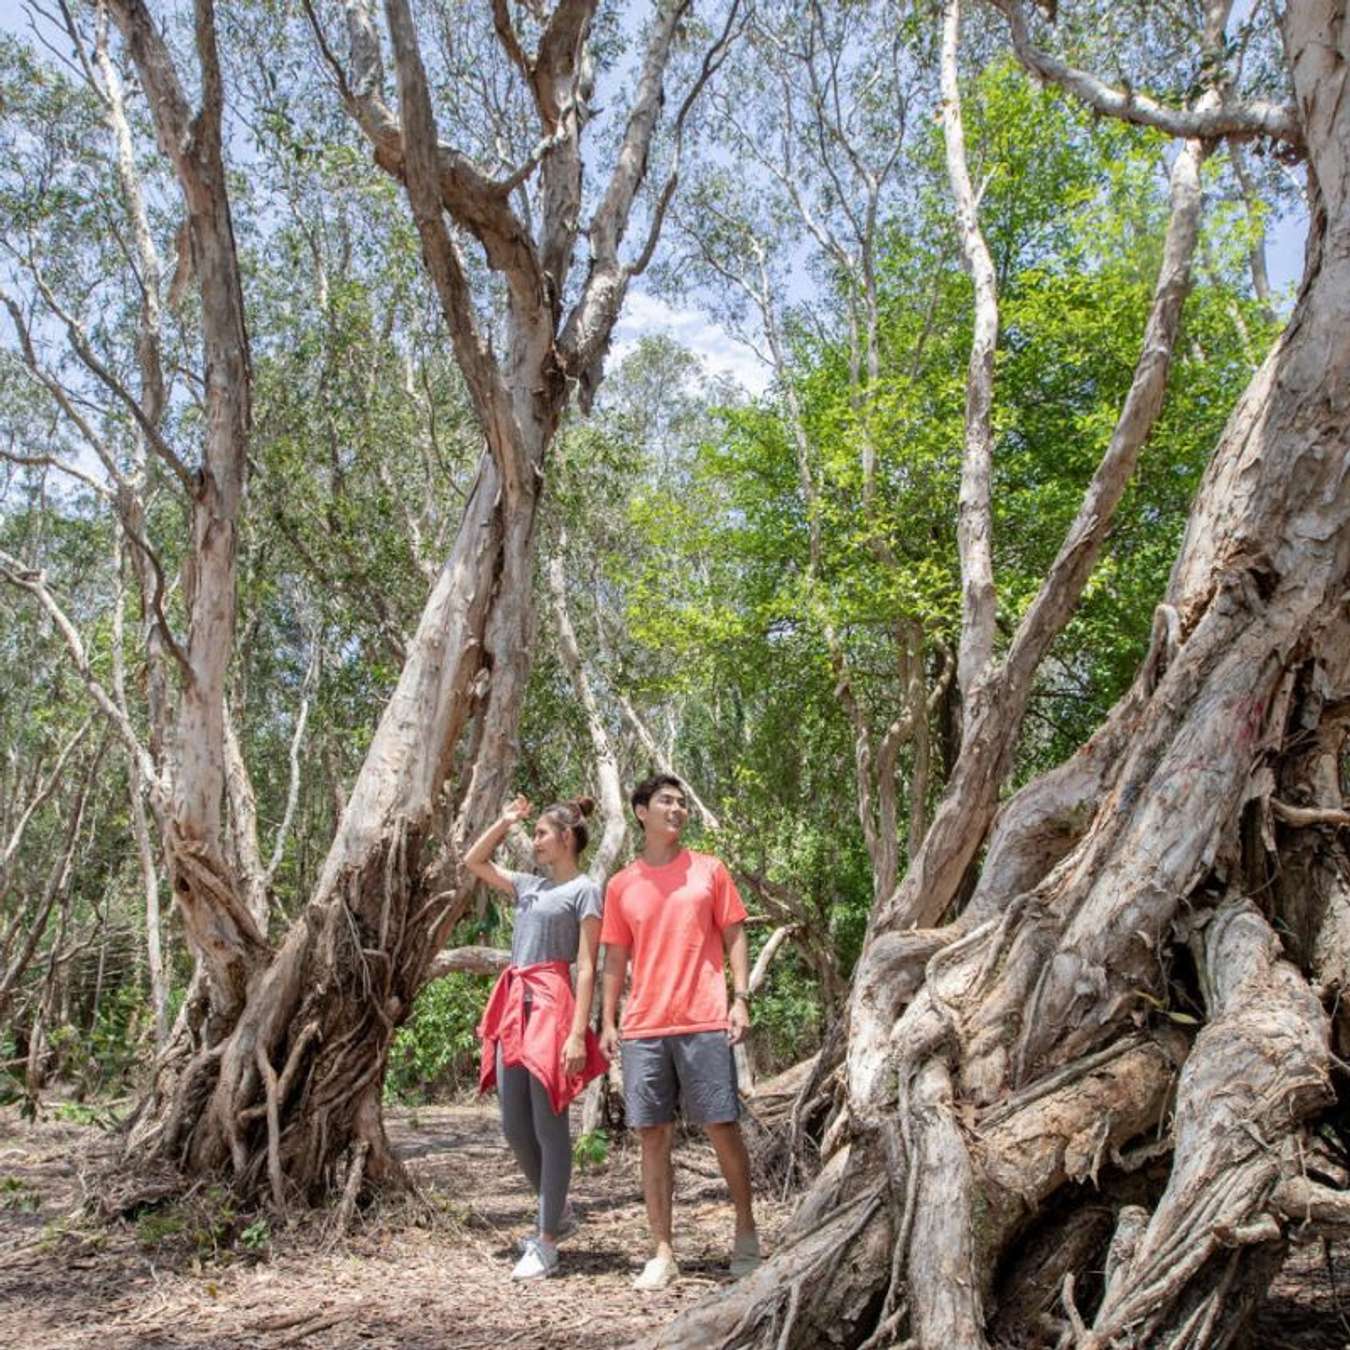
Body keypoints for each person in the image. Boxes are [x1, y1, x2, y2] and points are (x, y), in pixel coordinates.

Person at [599, 773, 761, 1291]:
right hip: (644, 1025)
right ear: (641, 811)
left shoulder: (709, 871)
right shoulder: (622, 884)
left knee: (721, 1125)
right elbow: (614, 957)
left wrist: (741, 997)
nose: (678, 809)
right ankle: (663, 1251)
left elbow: (734, 931)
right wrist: (607, 1020)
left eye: (682, 802)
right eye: (667, 801)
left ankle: (746, 1232)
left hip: (704, 1017)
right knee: (652, 1135)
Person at [467, 794, 608, 1280]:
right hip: (513, 1002)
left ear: (566, 838)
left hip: (552, 1003)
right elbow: (474, 861)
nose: (535, 840)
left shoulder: (585, 890)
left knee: (549, 1127)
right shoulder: (528, 885)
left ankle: (546, 1242)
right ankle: (559, 1212)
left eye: (542, 833)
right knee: (513, 1125)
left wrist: (577, 1033)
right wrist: (505, 821)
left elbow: (588, 966)